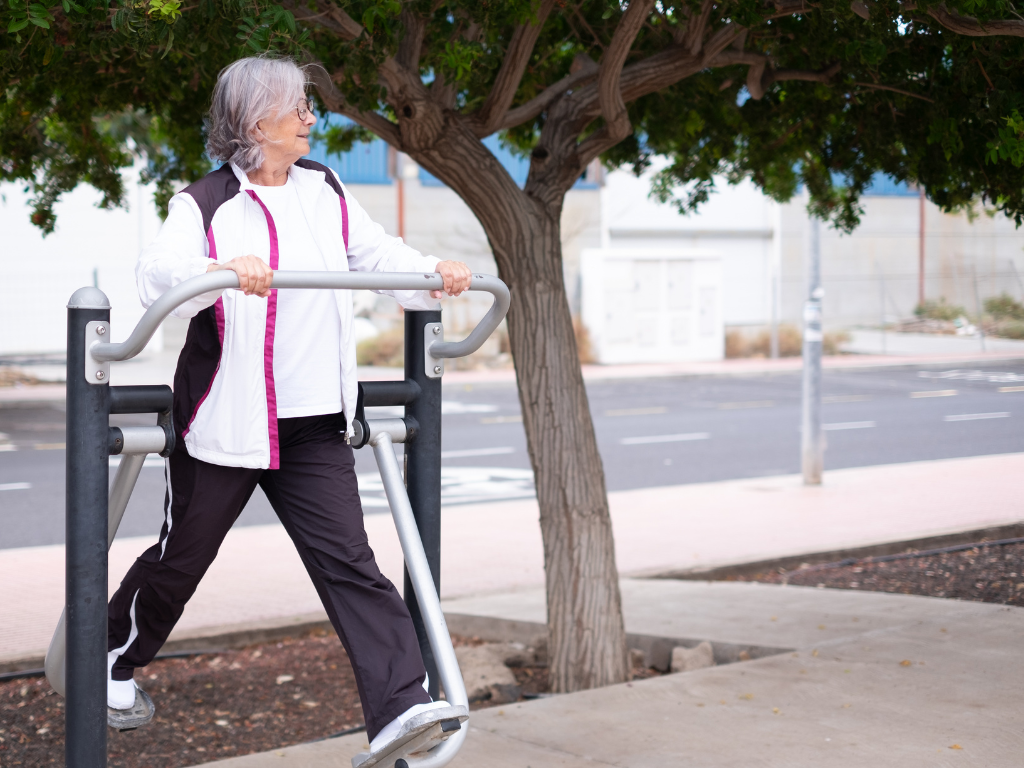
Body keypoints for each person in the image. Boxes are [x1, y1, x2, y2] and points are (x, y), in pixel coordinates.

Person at [105, 55, 472, 755]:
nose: (311, 118)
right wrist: (219, 270)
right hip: (225, 421)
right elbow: (158, 275)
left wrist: (435, 274)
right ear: (255, 121)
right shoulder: (204, 203)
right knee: (181, 558)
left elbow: (376, 255)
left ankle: (401, 706)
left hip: (312, 426)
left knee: (351, 564)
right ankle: (113, 656)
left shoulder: (324, 189)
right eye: (298, 108)